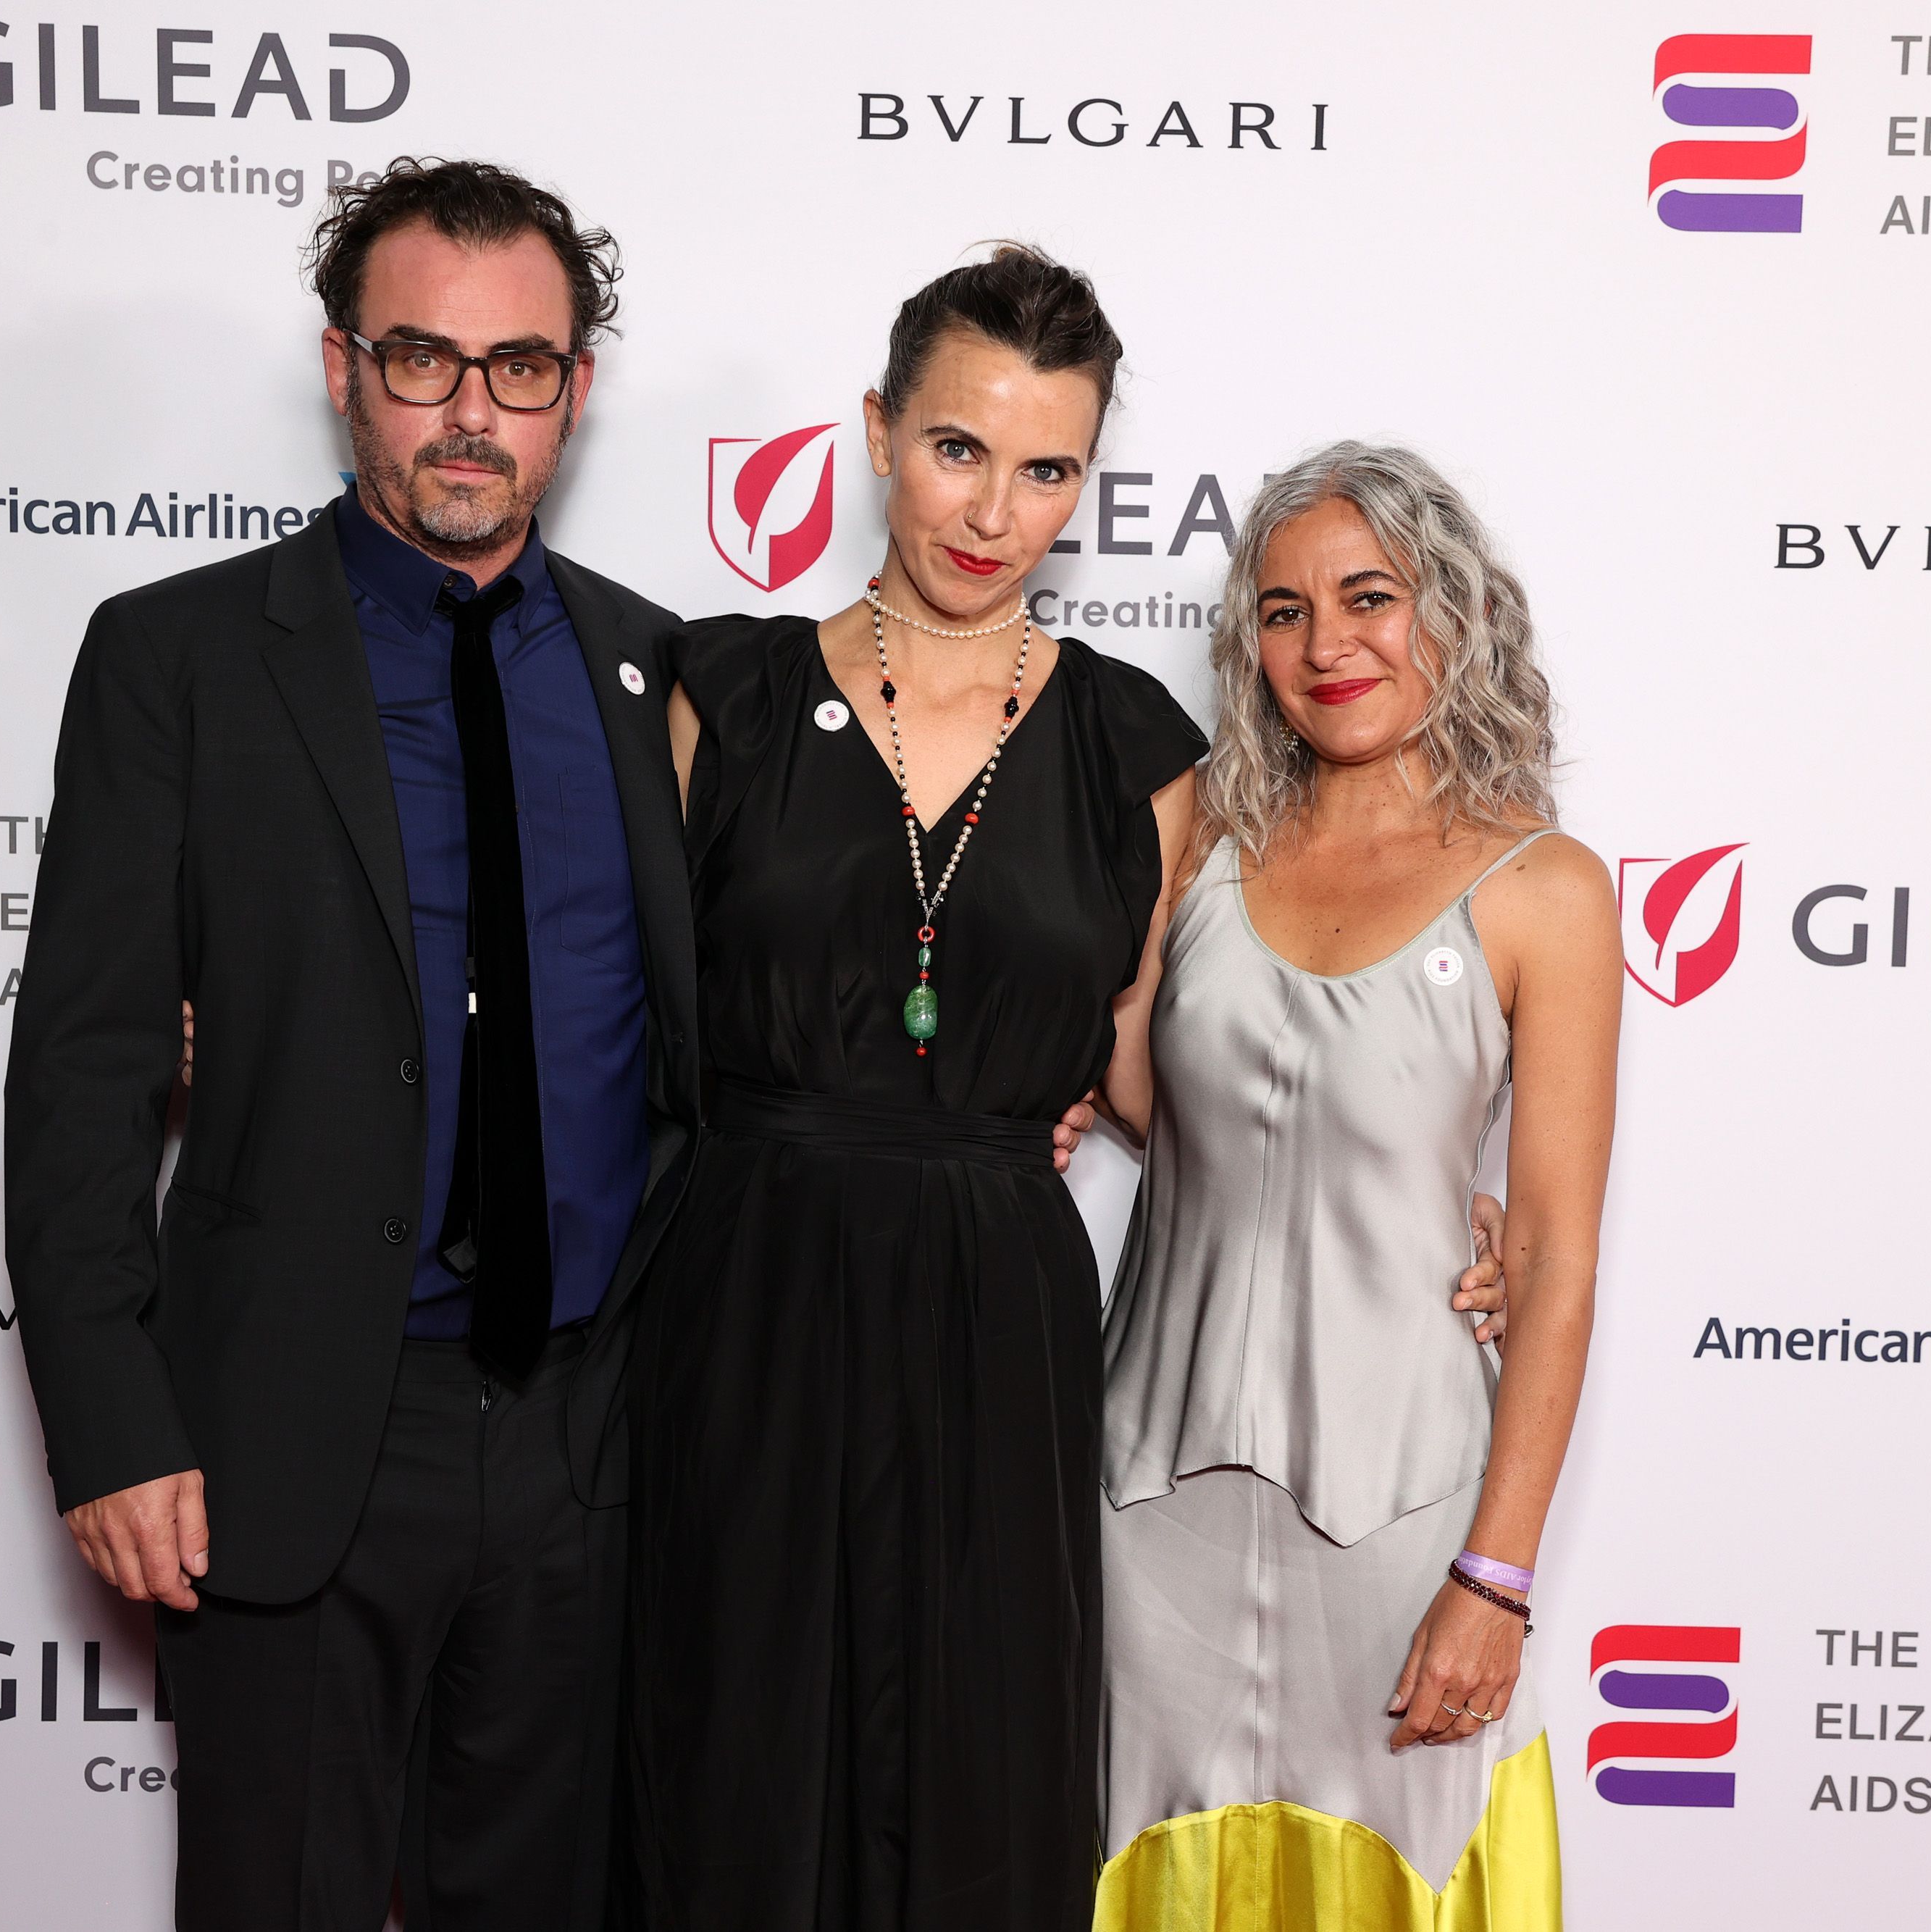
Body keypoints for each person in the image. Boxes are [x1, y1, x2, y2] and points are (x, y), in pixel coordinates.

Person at [4, 157, 694, 1931]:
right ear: (339, 368)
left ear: (575, 391)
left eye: (518, 366)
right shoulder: (178, 658)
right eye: (420, 359)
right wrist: (107, 1420)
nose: (471, 414)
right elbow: (82, 1068)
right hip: (296, 1434)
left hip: (588, 1442)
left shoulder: (660, 673)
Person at [624, 247, 1207, 1931]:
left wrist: (1411, 1198)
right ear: (877, 431)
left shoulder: (1134, 748)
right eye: (959, 449)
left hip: (996, 1316)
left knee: (977, 1771)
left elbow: (1171, 1079)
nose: (993, 512)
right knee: (728, 1758)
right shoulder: (714, 694)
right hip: (744, 1289)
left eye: (1047, 469)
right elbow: (601, 1021)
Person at [1092, 443, 1618, 1928]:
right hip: (1148, 1505)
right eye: (1279, 609)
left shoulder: (1543, 886)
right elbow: (1138, 1086)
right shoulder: (1193, 828)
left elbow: (1561, 1260)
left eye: (1367, 596)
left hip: (1404, 1520)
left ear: (1447, 610)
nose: (1325, 644)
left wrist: (1495, 1576)